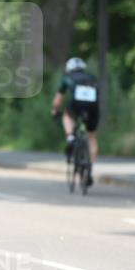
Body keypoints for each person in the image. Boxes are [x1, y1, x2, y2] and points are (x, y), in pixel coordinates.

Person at [51, 57, 99, 186]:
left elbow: (58, 100)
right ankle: (88, 170)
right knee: (91, 137)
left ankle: (71, 137)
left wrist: (55, 110)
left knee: (67, 116)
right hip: (93, 107)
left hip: (77, 105)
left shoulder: (67, 77)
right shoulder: (91, 77)